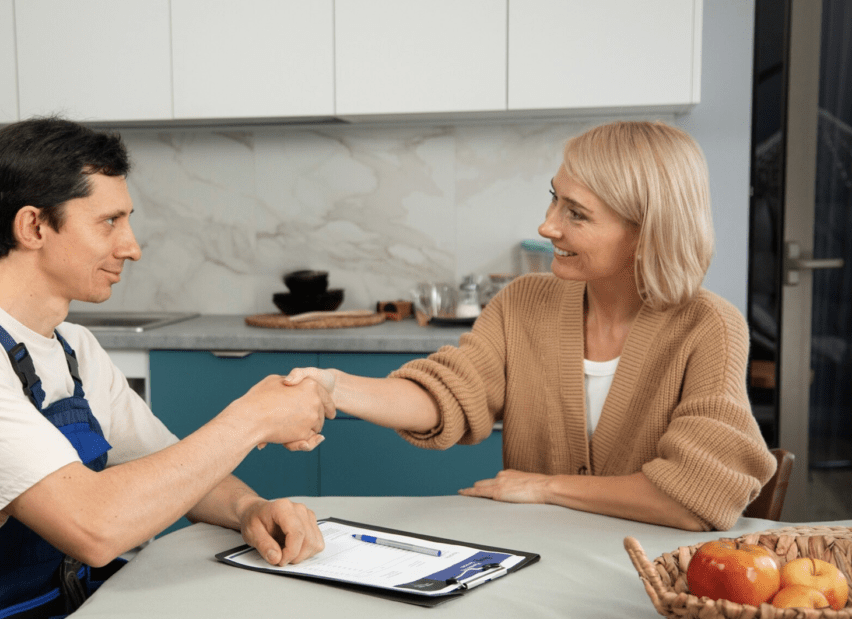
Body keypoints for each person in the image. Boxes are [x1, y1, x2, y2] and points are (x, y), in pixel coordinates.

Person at [0, 117, 334, 619]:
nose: (132, 247)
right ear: (34, 226)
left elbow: (172, 467)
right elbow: (94, 526)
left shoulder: (73, 347)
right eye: (109, 222)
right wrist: (251, 419)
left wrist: (249, 510)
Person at [285, 120, 776, 532]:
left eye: (576, 214)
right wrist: (335, 387)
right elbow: (450, 393)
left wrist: (545, 486)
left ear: (648, 232)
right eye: (554, 199)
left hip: (649, 575)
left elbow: (694, 502)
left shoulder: (708, 327)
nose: (547, 226)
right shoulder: (523, 303)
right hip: (539, 554)